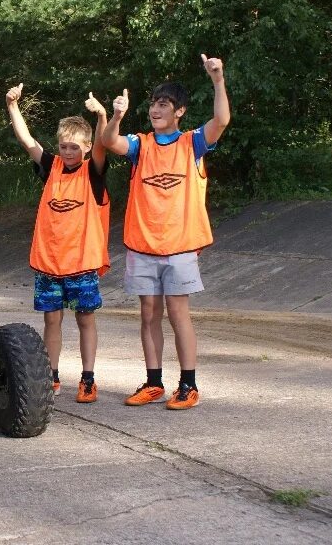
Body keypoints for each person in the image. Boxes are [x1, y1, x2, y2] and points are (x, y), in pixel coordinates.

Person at [101, 55, 231, 410]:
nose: (156, 109)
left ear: (180, 112)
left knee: (178, 314)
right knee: (148, 314)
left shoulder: (193, 144)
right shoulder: (140, 145)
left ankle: (188, 385)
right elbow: (109, 141)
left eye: (164, 104)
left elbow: (222, 120)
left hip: (180, 247)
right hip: (143, 248)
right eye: (154, 104)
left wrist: (217, 79)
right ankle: (154, 382)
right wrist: (116, 115)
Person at [6, 84, 112, 403]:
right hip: (50, 264)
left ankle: (88, 378)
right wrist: (12, 105)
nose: (68, 152)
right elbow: (27, 141)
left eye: (75, 148)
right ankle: (51, 377)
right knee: (51, 320)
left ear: (87, 147)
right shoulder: (51, 167)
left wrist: (102, 115)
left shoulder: (92, 172)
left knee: (85, 320)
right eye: (64, 146)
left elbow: (104, 145)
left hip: (81, 264)